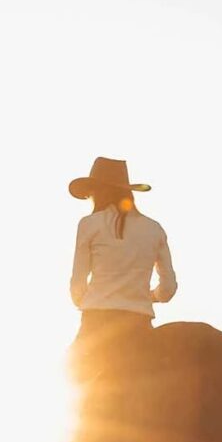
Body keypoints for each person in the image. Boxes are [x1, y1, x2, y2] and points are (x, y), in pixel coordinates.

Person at [67, 155, 176, 368]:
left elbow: (77, 286)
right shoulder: (155, 229)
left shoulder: (89, 225)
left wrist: (88, 299)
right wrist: (148, 296)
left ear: (98, 192)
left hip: (96, 322)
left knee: (70, 372)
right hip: (138, 324)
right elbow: (168, 289)